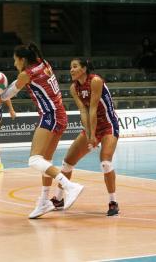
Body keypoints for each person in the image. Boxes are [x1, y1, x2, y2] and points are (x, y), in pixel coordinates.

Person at [0, 43, 84, 219]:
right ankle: (43, 201)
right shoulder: (44, 63)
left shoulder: (26, 73)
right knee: (46, 160)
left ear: (22, 59)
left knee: (34, 159)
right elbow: (18, 82)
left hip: (50, 115)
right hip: (60, 114)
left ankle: (69, 186)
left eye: (15, 60)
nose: (14, 64)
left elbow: (13, 89)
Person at [50, 59, 120, 216]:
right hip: (91, 125)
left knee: (105, 163)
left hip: (108, 125)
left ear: (84, 69)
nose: (71, 70)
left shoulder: (95, 81)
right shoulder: (74, 88)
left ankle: (113, 202)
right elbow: (83, 111)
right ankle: (59, 198)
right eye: (70, 67)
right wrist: (89, 135)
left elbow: (93, 109)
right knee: (67, 162)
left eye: (75, 67)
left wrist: (93, 136)